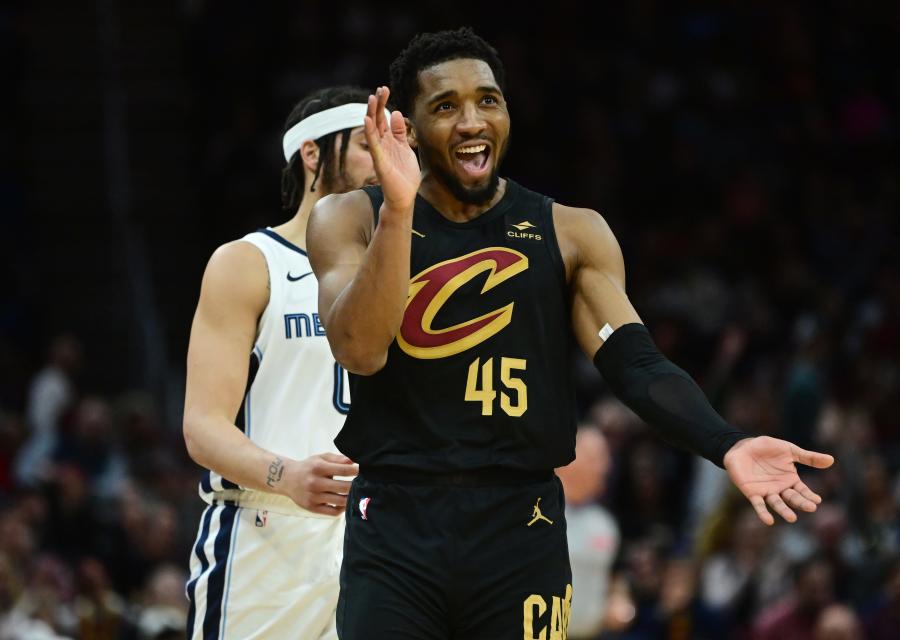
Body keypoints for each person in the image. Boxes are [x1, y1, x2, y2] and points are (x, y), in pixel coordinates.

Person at [307, 28, 835, 639]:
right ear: (408, 127)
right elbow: (360, 349)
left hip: (520, 525)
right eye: (446, 106)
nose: (473, 120)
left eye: (488, 100)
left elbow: (635, 364)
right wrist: (400, 212)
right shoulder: (351, 216)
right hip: (395, 525)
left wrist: (726, 443)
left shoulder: (570, 231)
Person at [182, 86, 378, 639]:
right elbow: (201, 426)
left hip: (377, 541)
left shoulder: (398, 275)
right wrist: (285, 474)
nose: (382, 161)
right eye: (366, 144)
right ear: (312, 153)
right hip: (266, 533)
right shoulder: (249, 262)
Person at [555, 427, 621, 640]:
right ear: (570, 458)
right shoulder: (534, 512)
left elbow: (615, 580)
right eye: (597, 458)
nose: (606, 467)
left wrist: (620, 599)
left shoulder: (604, 524)